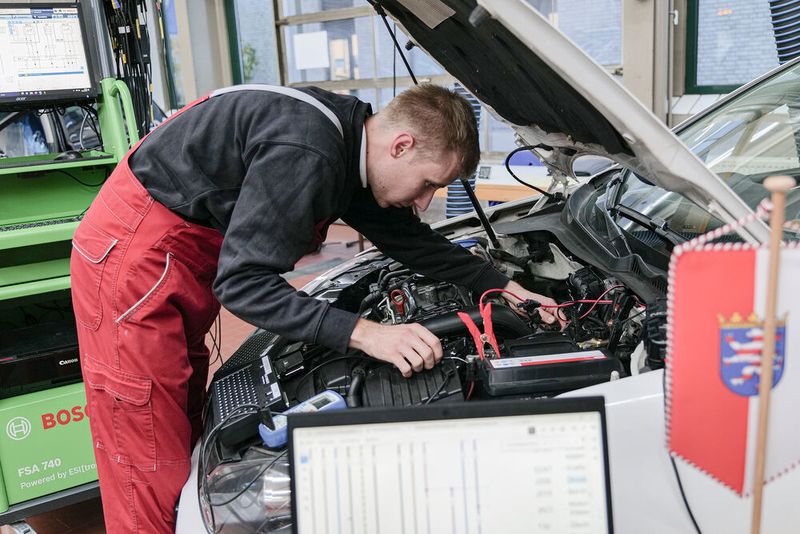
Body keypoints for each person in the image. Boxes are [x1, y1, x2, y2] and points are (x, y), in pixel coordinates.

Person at [69, 84, 560, 533]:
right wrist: (366, 333)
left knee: (178, 415)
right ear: (402, 145)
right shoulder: (309, 151)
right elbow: (242, 284)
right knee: (146, 444)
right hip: (136, 258)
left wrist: (503, 287)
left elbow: (409, 240)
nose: (425, 200)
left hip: (180, 254)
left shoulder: (350, 141)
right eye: (430, 182)